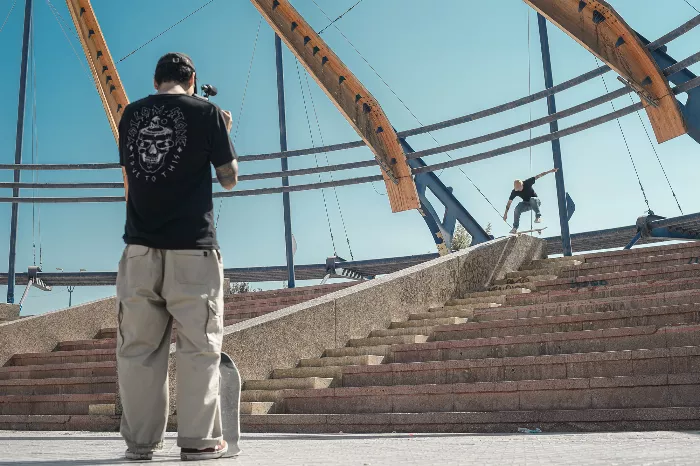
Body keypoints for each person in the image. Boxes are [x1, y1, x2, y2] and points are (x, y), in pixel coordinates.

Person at [116, 52, 238, 462]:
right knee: (199, 346)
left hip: (138, 248)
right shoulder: (207, 114)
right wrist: (223, 130)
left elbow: (131, 181)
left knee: (138, 350)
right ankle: (199, 441)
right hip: (192, 249)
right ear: (193, 80)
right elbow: (230, 179)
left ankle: (140, 444)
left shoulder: (130, 116)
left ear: (155, 82)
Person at [503, 168, 558, 234]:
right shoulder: (514, 191)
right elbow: (509, 203)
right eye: (517, 190)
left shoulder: (528, 182)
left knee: (532, 199)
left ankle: (538, 217)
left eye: (519, 189)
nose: (518, 190)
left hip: (535, 202)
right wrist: (505, 214)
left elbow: (539, 175)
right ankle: (515, 228)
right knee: (517, 209)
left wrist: (551, 171)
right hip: (526, 204)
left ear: (522, 184)